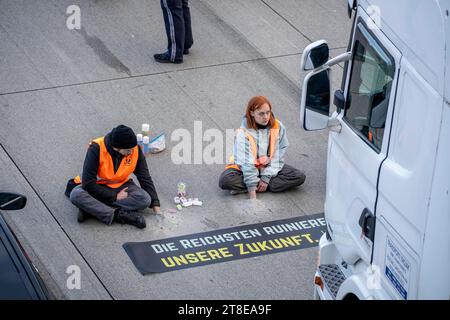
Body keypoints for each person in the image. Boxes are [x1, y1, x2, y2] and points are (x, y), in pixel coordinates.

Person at [69, 125, 161, 229]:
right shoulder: (96, 148)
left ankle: (92, 210)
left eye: (132, 149)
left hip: (122, 185)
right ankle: (119, 215)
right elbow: (88, 184)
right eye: (128, 150)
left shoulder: (134, 149)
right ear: (116, 147)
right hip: (97, 187)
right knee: (76, 195)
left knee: (145, 199)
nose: (131, 152)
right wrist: (114, 196)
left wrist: (155, 205)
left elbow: (144, 177)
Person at [219, 96, 306, 199]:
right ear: (252, 113)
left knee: (298, 176)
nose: (266, 117)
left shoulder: (278, 126)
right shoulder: (243, 133)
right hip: (243, 169)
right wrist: (252, 195)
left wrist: (266, 178)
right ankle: (255, 185)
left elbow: (278, 155)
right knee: (225, 181)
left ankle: (249, 186)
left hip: (268, 166)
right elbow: (246, 164)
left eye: (268, 112)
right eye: (261, 113)